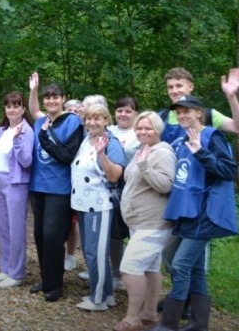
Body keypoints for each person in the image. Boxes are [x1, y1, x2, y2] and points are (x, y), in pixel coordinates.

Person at [151, 96, 237, 331]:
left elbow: (229, 170)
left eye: (186, 112)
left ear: (198, 113)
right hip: (186, 213)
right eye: (178, 113)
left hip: (205, 213)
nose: (181, 116)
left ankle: (168, 323)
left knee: (180, 264)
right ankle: (198, 323)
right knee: (196, 269)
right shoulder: (182, 140)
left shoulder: (211, 137)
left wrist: (201, 152)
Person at [113, 111, 175, 331]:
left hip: (154, 223)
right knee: (150, 268)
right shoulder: (143, 149)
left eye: (148, 128)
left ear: (157, 129)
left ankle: (132, 318)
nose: (142, 132)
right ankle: (149, 313)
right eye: (139, 128)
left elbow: (166, 185)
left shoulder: (163, 152)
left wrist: (145, 167)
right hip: (139, 223)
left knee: (129, 269)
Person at [27, 73, 84, 302]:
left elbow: (67, 156)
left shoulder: (72, 121)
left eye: (55, 97)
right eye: (47, 97)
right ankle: (46, 279)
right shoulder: (41, 121)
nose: (51, 101)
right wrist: (33, 90)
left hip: (59, 189)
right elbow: (33, 111)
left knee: (53, 236)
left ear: (63, 99)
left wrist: (44, 140)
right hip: (38, 186)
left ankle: (56, 284)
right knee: (40, 235)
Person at [71, 104, 126, 312]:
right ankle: (108, 293)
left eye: (97, 118)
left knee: (96, 252)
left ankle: (98, 298)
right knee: (89, 250)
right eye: (88, 118)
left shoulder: (111, 143)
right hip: (83, 204)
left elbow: (114, 175)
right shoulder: (86, 140)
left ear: (106, 120)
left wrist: (102, 154)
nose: (92, 122)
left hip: (100, 205)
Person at [0, 92, 34, 288]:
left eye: (16, 106)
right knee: (2, 228)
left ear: (23, 109)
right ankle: (5, 268)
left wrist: (16, 141)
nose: (12, 109)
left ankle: (16, 273)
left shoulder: (26, 131)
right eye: (8, 106)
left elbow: (26, 161)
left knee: (16, 229)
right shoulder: (2, 129)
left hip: (16, 182)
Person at [106, 96, 141, 291]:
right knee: (115, 235)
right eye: (120, 110)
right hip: (112, 190)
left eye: (128, 110)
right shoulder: (109, 131)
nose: (123, 114)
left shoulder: (141, 133)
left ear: (135, 113)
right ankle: (115, 273)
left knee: (136, 235)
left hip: (136, 191)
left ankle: (136, 277)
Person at [159, 67, 239, 149]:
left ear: (190, 87)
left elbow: (237, 128)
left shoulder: (207, 114)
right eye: (170, 87)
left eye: (179, 86)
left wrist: (231, 97)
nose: (174, 91)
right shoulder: (160, 118)